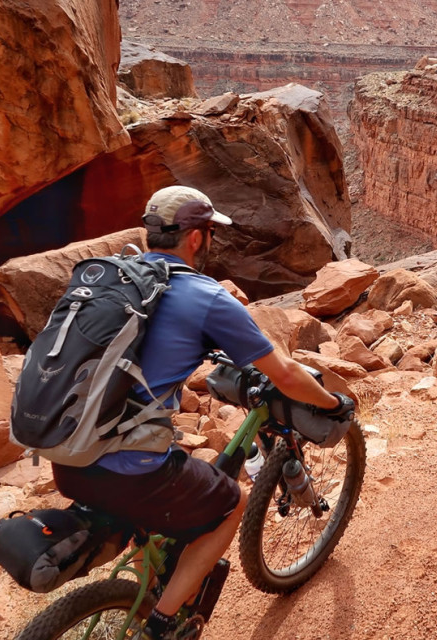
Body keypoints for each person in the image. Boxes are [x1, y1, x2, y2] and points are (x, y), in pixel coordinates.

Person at [50, 185, 351, 640]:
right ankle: (162, 624)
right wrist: (332, 403)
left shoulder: (115, 277)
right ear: (195, 238)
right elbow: (285, 374)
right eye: (210, 231)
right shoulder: (204, 295)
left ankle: (146, 592)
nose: (211, 240)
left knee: (149, 512)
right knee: (235, 503)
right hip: (124, 468)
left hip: (64, 455)